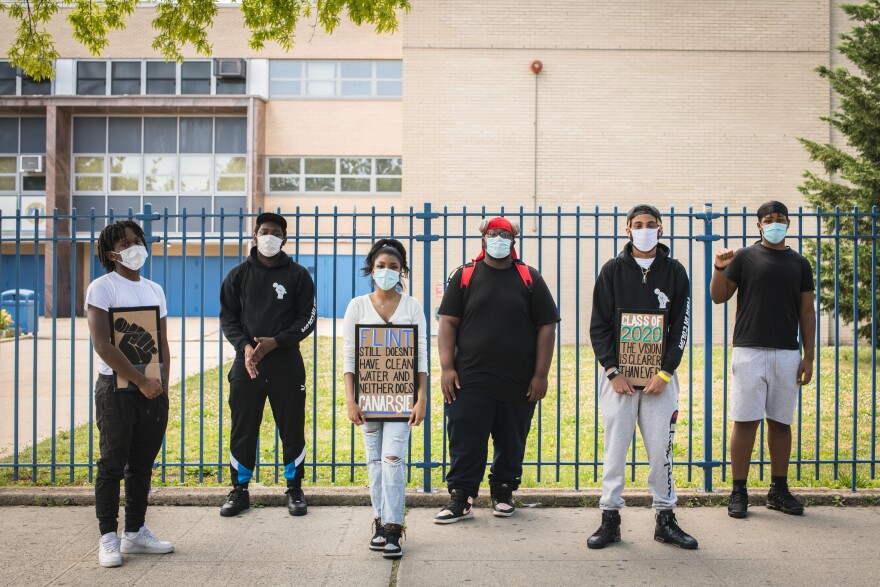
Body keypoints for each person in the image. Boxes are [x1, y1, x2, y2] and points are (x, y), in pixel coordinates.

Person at [434, 217, 559, 523]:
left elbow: (547, 326)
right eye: (494, 234)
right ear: (484, 239)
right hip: (469, 379)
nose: (499, 239)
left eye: (505, 235)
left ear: (514, 241)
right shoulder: (464, 275)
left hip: (518, 380)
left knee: (511, 438)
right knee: (465, 437)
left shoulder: (529, 278)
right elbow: (448, 322)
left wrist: (540, 375)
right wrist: (447, 368)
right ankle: (461, 497)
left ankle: (503, 491)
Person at [588, 204, 697, 550]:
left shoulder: (676, 272)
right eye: (638, 224)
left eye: (651, 224)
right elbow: (599, 326)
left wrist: (666, 372)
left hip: (659, 381)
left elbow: (681, 325)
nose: (644, 229)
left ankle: (666, 517)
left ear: (661, 230)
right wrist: (612, 370)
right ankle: (610, 518)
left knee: (660, 450)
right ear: (627, 230)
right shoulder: (612, 271)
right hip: (618, 380)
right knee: (614, 451)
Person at [710, 200, 815, 519]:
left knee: (781, 422)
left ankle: (778, 491)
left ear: (788, 223)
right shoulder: (744, 257)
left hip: (786, 352)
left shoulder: (799, 263)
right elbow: (718, 296)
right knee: (745, 420)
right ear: (758, 225)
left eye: (780, 219)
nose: (775, 223)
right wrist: (719, 267)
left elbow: (806, 311)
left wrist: (808, 356)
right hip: (749, 350)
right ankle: (738, 491)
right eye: (768, 219)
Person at [86, 220, 174, 568]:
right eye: (126, 243)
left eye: (138, 240)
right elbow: (103, 345)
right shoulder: (103, 287)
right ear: (112, 253)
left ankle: (135, 532)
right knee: (111, 463)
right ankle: (109, 536)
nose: (136, 246)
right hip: (117, 389)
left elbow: (162, 342)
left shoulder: (154, 289)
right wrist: (140, 380)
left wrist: (162, 380)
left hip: (152, 389)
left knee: (141, 464)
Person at [219, 212, 317, 517]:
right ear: (254, 235)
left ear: (284, 239)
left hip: (285, 363)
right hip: (247, 364)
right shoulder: (237, 275)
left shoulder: (298, 275)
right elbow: (228, 318)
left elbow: (308, 319)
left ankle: (294, 489)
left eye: (276, 232)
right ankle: (240, 490)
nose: (269, 237)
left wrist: (276, 341)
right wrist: (246, 347)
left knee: (291, 427)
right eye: (264, 231)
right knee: (243, 427)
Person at [343, 238, 427, 559]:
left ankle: (394, 527)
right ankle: (379, 521)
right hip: (368, 399)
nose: (387, 272)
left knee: (392, 460)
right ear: (371, 269)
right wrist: (351, 400)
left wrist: (421, 399)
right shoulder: (357, 307)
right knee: (375, 463)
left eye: (393, 267)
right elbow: (349, 357)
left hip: (401, 399)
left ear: (402, 270)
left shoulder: (412, 307)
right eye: (381, 266)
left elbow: (421, 356)